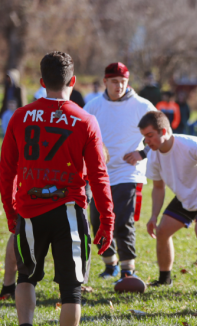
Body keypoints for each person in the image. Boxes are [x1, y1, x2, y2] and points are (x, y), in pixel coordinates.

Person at [0, 51, 114, 326]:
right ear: (73, 81)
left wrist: (11, 212)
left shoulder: (20, 116)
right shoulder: (86, 120)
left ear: (41, 81)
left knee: (26, 278)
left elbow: (6, 171)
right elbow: (98, 175)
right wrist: (107, 220)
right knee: (71, 291)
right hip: (69, 212)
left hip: (29, 209)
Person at [141, 111, 197, 293]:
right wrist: (153, 216)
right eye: (144, 137)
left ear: (164, 131)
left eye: (150, 135)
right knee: (163, 230)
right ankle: (164, 279)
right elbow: (158, 188)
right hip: (186, 196)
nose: (147, 141)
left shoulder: (191, 144)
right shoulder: (153, 155)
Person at [84, 62, 157, 279]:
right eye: (115, 82)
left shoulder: (143, 106)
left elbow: (163, 134)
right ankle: (111, 262)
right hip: (99, 173)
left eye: (123, 82)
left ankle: (128, 271)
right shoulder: (93, 106)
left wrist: (141, 154)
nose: (119, 86)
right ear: (105, 81)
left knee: (123, 220)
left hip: (128, 171)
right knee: (97, 222)